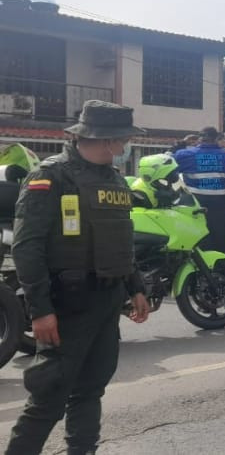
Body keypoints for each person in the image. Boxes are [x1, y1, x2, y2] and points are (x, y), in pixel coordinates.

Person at [6, 100, 150, 455]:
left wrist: (135, 287)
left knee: (90, 390)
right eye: (125, 139)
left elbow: (121, 238)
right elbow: (27, 247)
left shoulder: (114, 178)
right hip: (66, 303)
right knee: (49, 397)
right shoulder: (50, 176)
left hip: (107, 300)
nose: (126, 146)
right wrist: (39, 310)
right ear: (107, 140)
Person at [174, 127, 225, 258]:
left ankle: (202, 276)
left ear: (199, 138)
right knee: (224, 249)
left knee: (201, 250)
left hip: (197, 213)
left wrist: (181, 144)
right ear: (216, 139)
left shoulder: (186, 155)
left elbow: (162, 161)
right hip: (222, 213)